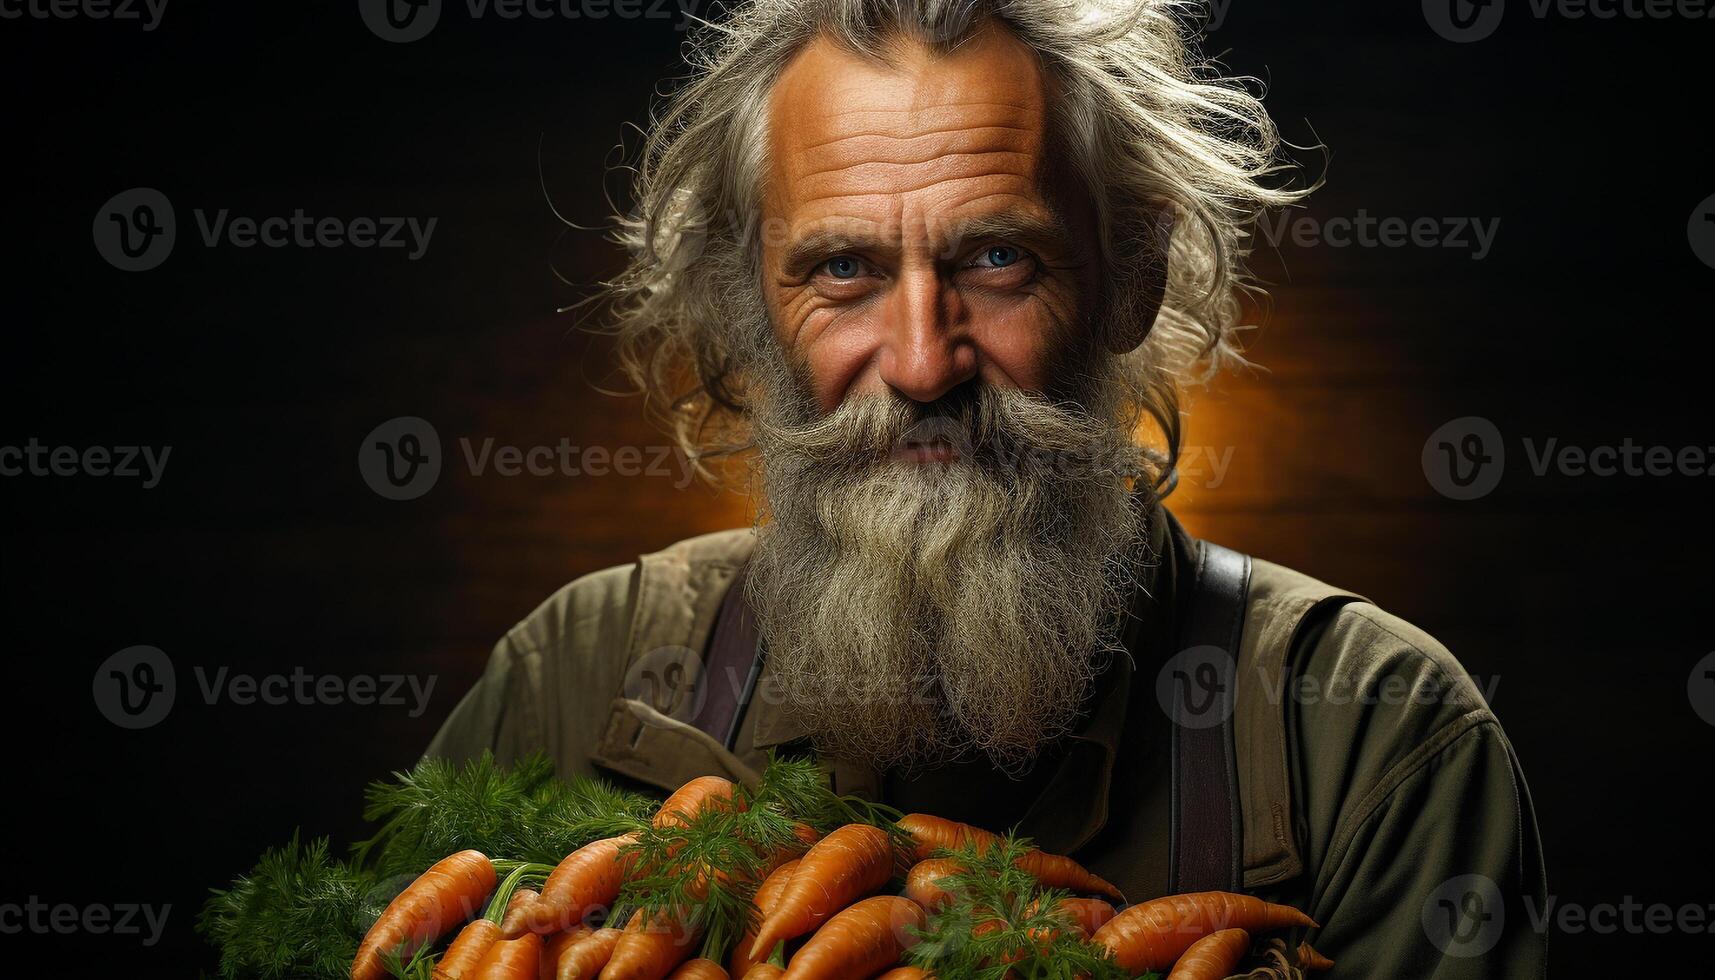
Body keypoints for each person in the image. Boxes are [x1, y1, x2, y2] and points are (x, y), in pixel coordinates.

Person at [426, 2, 1546, 974]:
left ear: (1130, 277)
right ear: (745, 303)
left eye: (996, 258)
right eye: (843, 269)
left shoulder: (1371, 740)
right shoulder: (569, 680)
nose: (921, 362)